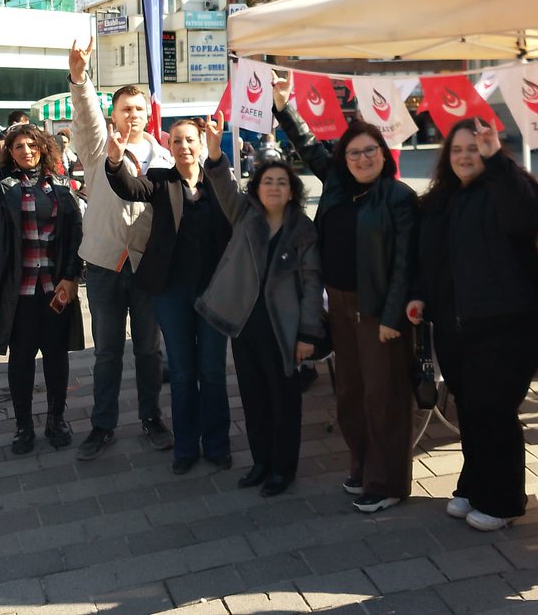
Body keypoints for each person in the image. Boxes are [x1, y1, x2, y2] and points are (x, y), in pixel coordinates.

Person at [272, 71, 418, 514]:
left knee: (383, 396)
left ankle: (387, 480)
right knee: (350, 394)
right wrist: (283, 104)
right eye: (353, 152)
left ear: (383, 153)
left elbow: (406, 264)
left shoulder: (399, 197)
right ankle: (361, 467)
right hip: (339, 306)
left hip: (379, 313)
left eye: (369, 150)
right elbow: (308, 145)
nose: (361, 158)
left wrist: (393, 317)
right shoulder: (337, 184)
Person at [407, 119, 538, 532]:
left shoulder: (506, 188)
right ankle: (474, 485)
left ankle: (503, 501)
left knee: (495, 411)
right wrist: (419, 295)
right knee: (470, 409)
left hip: (508, 324)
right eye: (458, 150)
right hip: (454, 325)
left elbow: (529, 216)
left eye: (475, 148)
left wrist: (498, 160)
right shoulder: (438, 202)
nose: (466, 156)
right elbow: (426, 259)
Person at [195, 115, 323, 497]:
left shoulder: (302, 229)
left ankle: (284, 469)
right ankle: (261, 462)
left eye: (281, 182)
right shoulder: (245, 216)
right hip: (246, 325)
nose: (274, 187)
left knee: (284, 400)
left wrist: (307, 333)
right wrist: (215, 149)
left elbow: (313, 287)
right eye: (267, 181)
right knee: (252, 397)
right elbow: (222, 184)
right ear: (257, 187)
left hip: (284, 330)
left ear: (292, 190)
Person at [105, 117, 232, 475]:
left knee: (211, 371)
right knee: (181, 372)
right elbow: (129, 187)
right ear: (170, 146)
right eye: (177, 141)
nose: (184, 147)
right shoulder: (162, 182)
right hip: (171, 293)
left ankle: (218, 445)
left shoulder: (219, 182)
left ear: (202, 142)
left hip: (214, 293)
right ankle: (187, 448)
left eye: (190, 140)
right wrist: (115, 162)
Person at [68, 39, 174, 460]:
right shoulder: (97, 152)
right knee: (108, 352)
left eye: (139, 109)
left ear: (149, 114)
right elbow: (86, 117)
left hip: (149, 268)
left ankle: (152, 418)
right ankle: (103, 425)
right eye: (125, 108)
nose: (133, 115)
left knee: (149, 350)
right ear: (114, 113)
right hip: (105, 266)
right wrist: (80, 78)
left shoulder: (164, 157)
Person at [0, 124, 85, 455]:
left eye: (31, 145)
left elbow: (74, 236)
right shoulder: (2, 189)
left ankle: (56, 419)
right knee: (22, 359)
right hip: (20, 291)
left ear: (42, 148)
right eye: (18, 147)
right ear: (9, 153)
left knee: (56, 357)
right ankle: (23, 425)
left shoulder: (60, 187)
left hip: (55, 290)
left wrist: (71, 276)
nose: (26, 151)